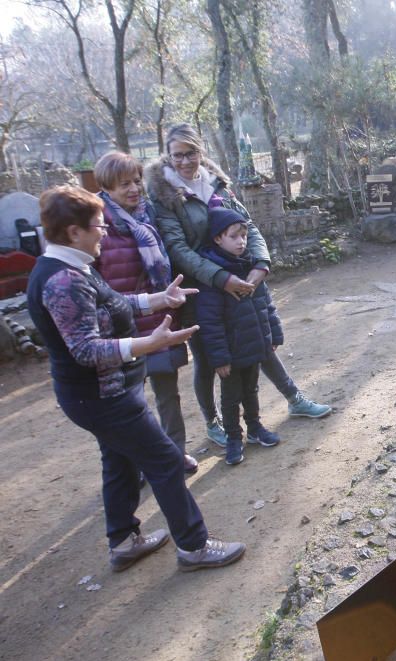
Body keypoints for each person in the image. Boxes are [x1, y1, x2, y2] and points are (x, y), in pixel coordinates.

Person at [26, 186, 245, 572]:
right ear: (74, 232)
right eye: (97, 225)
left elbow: (111, 302)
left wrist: (157, 299)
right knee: (163, 459)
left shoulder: (74, 266)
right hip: (102, 398)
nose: (104, 232)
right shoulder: (63, 280)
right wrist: (148, 343)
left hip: (101, 395)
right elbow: (86, 349)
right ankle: (194, 547)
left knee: (119, 460)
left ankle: (124, 541)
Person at [145, 123, 331, 450]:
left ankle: (293, 397)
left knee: (257, 341)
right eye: (178, 155)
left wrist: (261, 264)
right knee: (208, 358)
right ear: (168, 156)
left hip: (242, 276)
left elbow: (250, 227)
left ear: (201, 152)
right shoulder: (165, 197)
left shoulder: (219, 185)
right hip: (201, 289)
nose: (185, 161)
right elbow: (178, 249)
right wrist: (220, 278)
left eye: (191, 153)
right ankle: (213, 421)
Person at [91, 151, 198, 473]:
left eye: (137, 181)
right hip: (118, 329)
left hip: (157, 320)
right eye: (125, 184)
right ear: (107, 186)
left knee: (168, 395)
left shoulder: (150, 215)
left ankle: (174, 454)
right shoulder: (95, 225)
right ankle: (131, 466)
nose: (134, 189)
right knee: (126, 404)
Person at [196, 208, 283, 465]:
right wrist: (219, 358)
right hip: (231, 354)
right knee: (231, 397)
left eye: (244, 236)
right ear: (217, 239)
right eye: (234, 236)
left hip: (255, 344)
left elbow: (266, 304)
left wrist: (273, 334)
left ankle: (255, 428)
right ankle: (234, 438)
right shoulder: (214, 277)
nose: (241, 241)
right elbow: (210, 323)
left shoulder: (252, 266)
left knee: (252, 390)